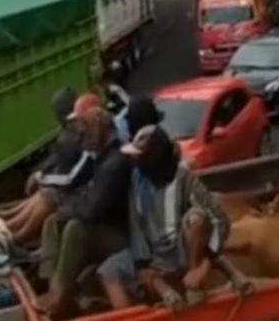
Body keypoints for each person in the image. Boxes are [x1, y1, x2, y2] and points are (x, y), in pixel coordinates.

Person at [97, 125, 231, 310]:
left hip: (180, 248)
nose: (135, 160)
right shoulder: (137, 179)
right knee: (109, 271)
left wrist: (206, 260)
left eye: (141, 156)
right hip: (152, 251)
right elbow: (136, 223)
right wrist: (142, 262)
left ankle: (193, 277)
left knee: (196, 218)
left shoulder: (184, 179)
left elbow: (219, 218)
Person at [37, 106, 133, 319]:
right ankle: (54, 289)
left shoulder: (114, 163)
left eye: (85, 132)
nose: (81, 139)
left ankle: (60, 295)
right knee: (52, 222)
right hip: (104, 227)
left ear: (100, 129)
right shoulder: (101, 156)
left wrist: (69, 211)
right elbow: (77, 184)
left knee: (75, 228)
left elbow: (91, 211)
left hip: (121, 237)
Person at [0, 90, 99, 243]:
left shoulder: (89, 145)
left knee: (50, 195)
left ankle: (15, 235)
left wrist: (43, 178)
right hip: (82, 188)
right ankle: (8, 222)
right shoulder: (85, 139)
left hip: (86, 194)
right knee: (47, 192)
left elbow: (71, 178)